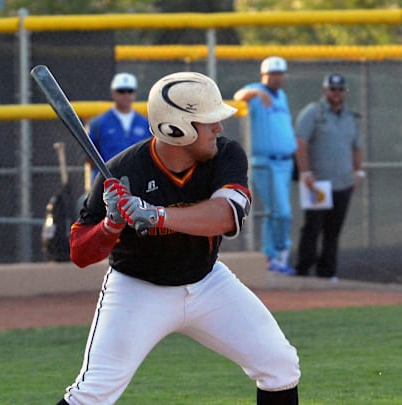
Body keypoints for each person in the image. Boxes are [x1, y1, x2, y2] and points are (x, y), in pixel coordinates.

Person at [56, 72, 300, 405]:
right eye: (208, 121)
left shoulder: (226, 155)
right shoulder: (123, 169)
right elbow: (80, 252)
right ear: (176, 128)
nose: (219, 128)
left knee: (280, 366)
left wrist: (155, 214)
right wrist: (112, 225)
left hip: (208, 283)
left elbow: (224, 216)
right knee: (92, 394)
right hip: (138, 289)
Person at [293, 73, 364, 281]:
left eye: (340, 89)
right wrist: (305, 172)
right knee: (313, 227)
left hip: (342, 182)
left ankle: (328, 272)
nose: (336, 93)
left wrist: (358, 171)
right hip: (318, 184)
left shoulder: (351, 116)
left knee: (333, 230)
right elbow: (300, 143)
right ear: (325, 91)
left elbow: (356, 147)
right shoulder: (313, 113)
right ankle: (303, 270)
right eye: (332, 89)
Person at [233, 56, 297, 274]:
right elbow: (238, 96)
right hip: (266, 162)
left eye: (280, 74)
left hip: (285, 163)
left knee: (276, 212)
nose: (277, 78)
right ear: (264, 75)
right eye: (272, 74)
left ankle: (275, 258)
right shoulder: (256, 91)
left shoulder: (283, 95)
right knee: (281, 212)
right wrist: (258, 93)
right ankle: (277, 253)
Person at [86, 72, 150, 180]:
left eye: (129, 91)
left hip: (138, 180)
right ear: (113, 93)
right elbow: (90, 156)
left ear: (134, 94)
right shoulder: (98, 123)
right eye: (121, 91)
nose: (126, 95)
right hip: (107, 181)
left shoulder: (145, 123)